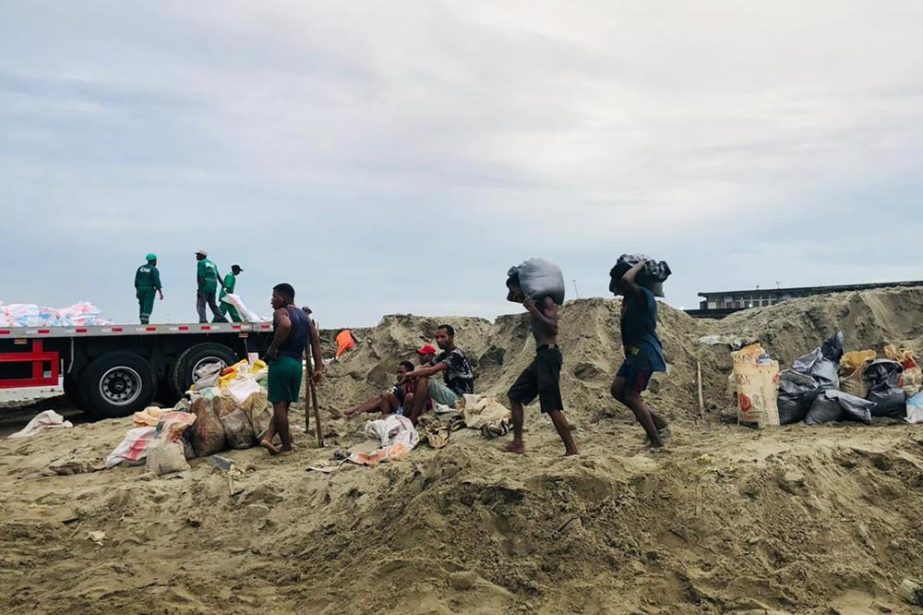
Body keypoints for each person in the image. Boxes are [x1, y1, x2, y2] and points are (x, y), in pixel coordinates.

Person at [504, 273, 578, 456]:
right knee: (515, 395)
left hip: (550, 355)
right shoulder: (534, 300)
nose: (511, 293)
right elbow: (510, 298)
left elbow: (553, 328)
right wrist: (518, 290)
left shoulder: (546, 301)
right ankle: (518, 443)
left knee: (552, 406)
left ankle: (572, 449)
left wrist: (532, 309)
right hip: (541, 357)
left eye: (512, 288)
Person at [609, 260, 670, 448]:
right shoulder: (629, 298)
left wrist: (641, 264)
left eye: (614, 281)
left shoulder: (643, 295)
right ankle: (660, 426)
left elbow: (627, 280)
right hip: (634, 354)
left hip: (645, 354)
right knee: (617, 390)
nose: (612, 287)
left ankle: (656, 442)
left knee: (631, 396)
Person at [261, 283, 324, 455]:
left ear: (282, 298)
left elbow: (286, 325)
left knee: (278, 406)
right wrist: (318, 367)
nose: (271, 301)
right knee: (284, 405)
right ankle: (268, 437)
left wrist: (273, 347)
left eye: (274, 297)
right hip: (297, 365)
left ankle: (286, 445)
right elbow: (315, 340)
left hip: (281, 361)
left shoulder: (281, 312)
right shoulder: (304, 316)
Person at [401, 325, 474, 424]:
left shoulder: (456, 354)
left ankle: (413, 418)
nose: (439, 340)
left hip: (461, 399)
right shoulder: (444, 355)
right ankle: (413, 414)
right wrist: (413, 375)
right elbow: (425, 367)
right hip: (451, 394)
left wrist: (410, 374)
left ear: (452, 337)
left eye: (443, 337)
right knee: (419, 378)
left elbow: (432, 370)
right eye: (437, 337)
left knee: (424, 380)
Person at [343, 361, 428, 418]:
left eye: (401, 372)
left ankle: (354, 413)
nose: (398, 375)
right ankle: (351, 411)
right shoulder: (400, 384)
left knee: (383, 396)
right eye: (397, 372)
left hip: (403, 410)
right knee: (375, 398)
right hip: (395, 405)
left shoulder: (410, 383)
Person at [195, 249, 227, 323]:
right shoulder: (213, 264)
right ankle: (221, 318)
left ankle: (203, 320)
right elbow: (218, 276)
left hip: (205, 287)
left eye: (198, 255)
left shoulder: (201, 263)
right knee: (213, 304)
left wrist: (200, 289)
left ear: (202, 256)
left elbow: (200, 276)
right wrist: (223, 285)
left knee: (201, 305)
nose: (196, 256)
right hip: (213, 287)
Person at [134, 253, 164, 324]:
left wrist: (137, 291)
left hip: (140, 288)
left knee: (142, 304)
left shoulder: (140, 268)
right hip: (149, 289)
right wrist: (160, 293)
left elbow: (136, 281)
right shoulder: (154, 270)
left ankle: (142, 320)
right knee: (148, 304)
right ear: (154, 261)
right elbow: (157, 282)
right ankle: (145, 321)